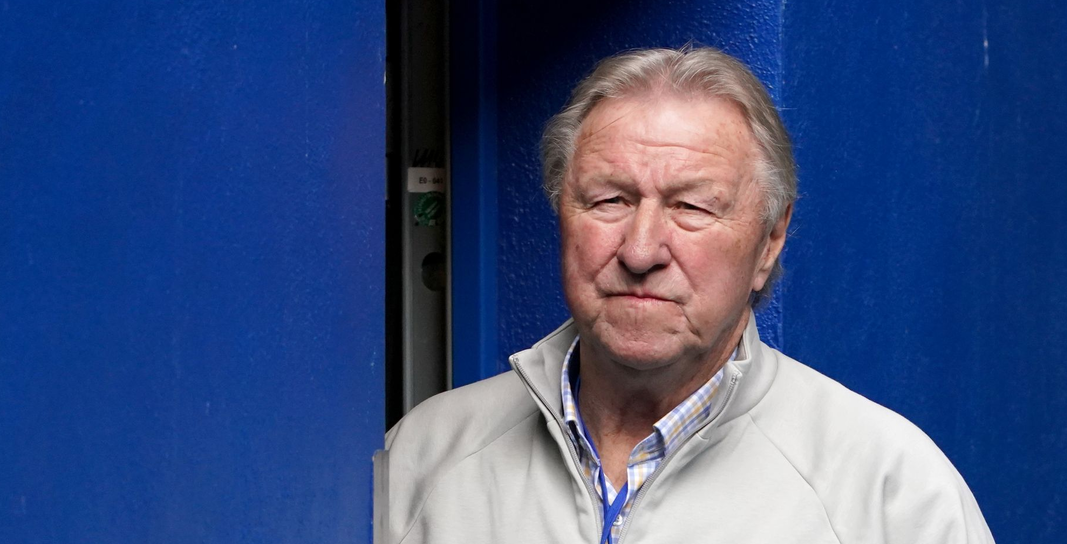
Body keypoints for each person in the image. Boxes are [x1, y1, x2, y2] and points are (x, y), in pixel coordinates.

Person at [374, 47, 994, 544]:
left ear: (770, 241)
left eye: (691, 207)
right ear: (561, 213)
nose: (641, 249)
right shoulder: (426, 458)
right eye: (609, 200)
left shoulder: (890, 493)